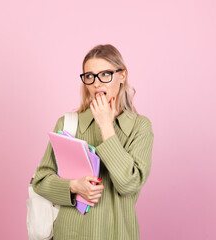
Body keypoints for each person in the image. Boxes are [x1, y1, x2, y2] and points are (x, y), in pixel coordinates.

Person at [32, 44, 154, 240]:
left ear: (122, 75)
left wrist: (106, 126)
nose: (97, 83)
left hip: (117, 234)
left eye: (105, 74)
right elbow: (40, 181)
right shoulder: (68, 123)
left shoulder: (140, 127)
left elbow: (129, 184)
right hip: (70, 233)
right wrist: (73, 186)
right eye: (89, 76)